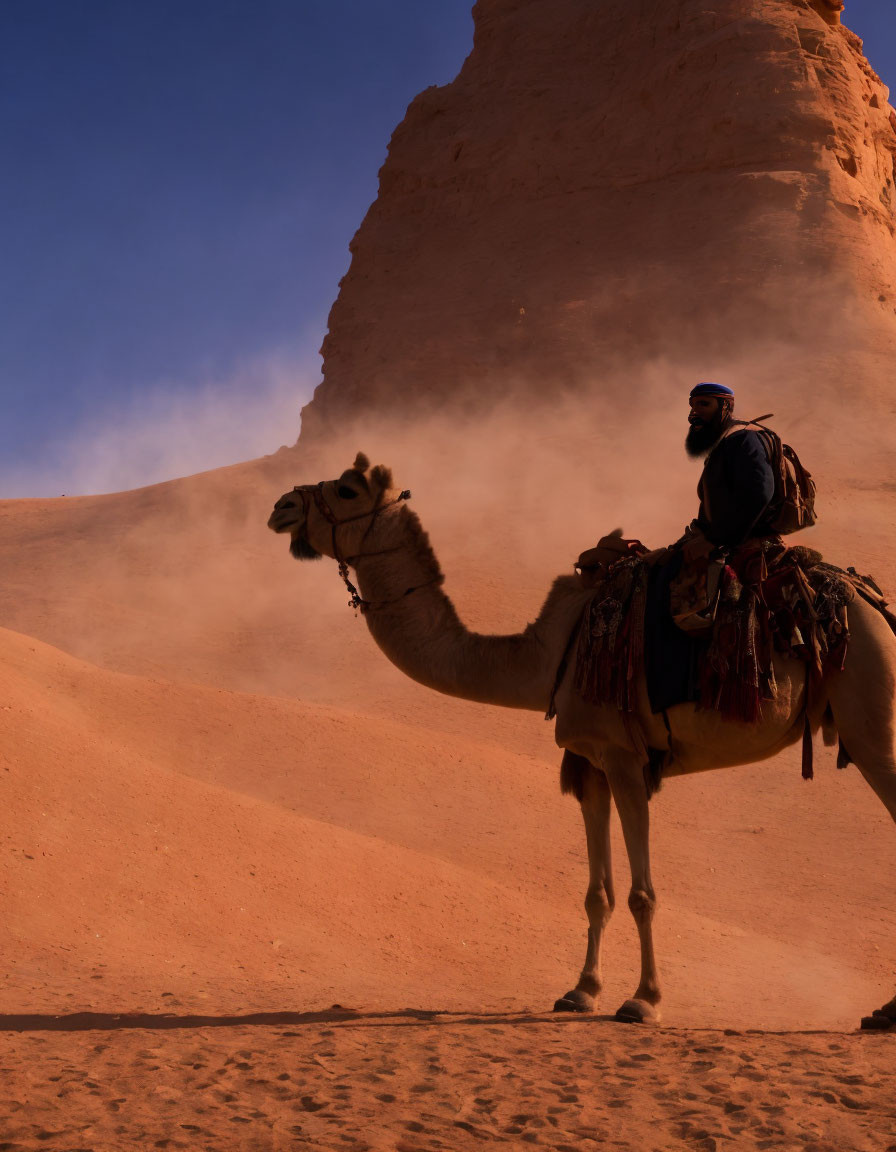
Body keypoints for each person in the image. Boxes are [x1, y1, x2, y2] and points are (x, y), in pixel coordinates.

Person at [685, 382, 776, 549]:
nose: (694, 412)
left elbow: (760, 492)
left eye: (704, 404)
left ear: (725, 406)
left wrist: (718, 541)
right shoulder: (725, 440)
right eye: (692, 405)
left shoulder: (743, 438)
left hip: (739, 546)